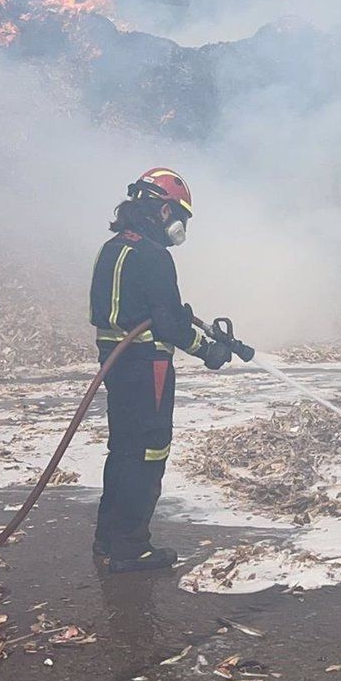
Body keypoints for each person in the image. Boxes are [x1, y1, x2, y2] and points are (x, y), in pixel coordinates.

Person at [88, 167, 237, 574]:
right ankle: (132, 548)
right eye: (181, 217)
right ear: (165, 210)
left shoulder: (112, 248)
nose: (181, 226)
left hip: (116, 364)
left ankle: (108, 540)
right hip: (147, 365)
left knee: (122, 450)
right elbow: (168, 325)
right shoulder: (154, 256)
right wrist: (209, 351)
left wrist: (176, 316)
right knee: (150, 452)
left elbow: (143, 310)